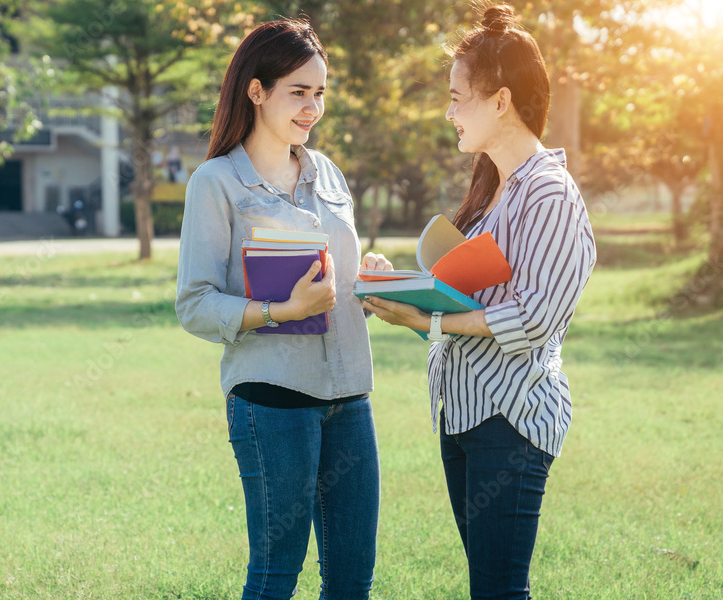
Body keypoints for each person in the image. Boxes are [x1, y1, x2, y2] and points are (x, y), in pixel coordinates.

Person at [362, 5, 597, 599]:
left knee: (497, 590)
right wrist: (401, 295)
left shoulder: (550, 192)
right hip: (463, 414)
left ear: (499, 101)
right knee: (488, 587)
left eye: (457, 97)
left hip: (510, 419)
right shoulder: (496, 194)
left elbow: (536, 316)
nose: (449, 112)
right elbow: (468, 304)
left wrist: (432, 317)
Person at [176, 19, 382, 600]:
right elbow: (194, 305)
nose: (313, 107)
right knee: (274, 578)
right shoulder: (216, 183)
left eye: (319, 92)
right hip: (272, 404)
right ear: (256, 90)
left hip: (348, 399)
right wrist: (279, 310)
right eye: (298, 91)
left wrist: (370, 287)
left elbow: (334, 295)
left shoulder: (328, 175)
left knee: (351, 582)